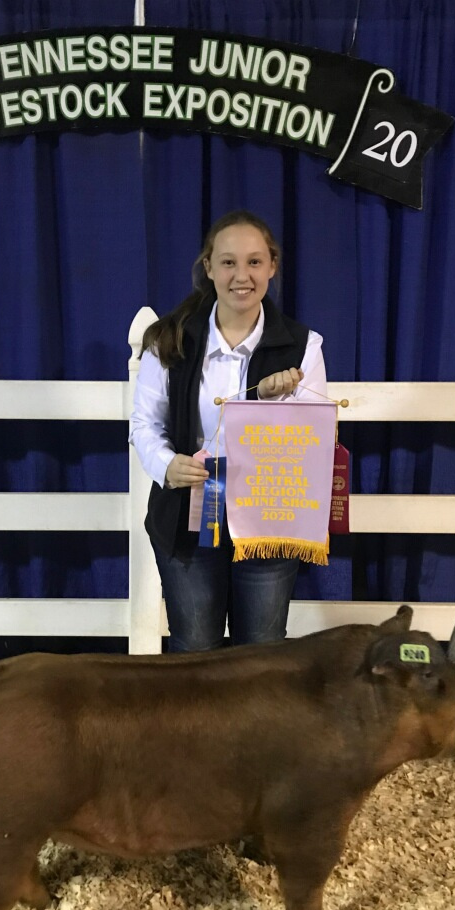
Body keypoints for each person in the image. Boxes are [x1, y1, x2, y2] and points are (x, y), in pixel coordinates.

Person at [129, 209, 327, 652]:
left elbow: (314, 440)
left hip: (268, 517)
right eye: (228, 262)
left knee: (261, 649)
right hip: (186, 513)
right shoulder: (169, 338)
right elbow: (144, 423)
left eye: (255, 262)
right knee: (195, 647)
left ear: (272, 266)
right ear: (209, 268)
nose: (242, 275)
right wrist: (167, 466)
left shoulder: (303, 345)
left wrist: (275, 403)